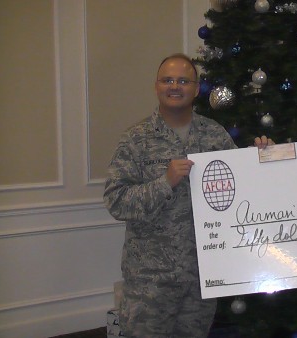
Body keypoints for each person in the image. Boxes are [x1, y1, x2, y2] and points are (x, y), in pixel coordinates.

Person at [104, 53, 271, 337]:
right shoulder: (135, 139)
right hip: (150, 282)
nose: (175, 86)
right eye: (167, 80)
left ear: (196, 89)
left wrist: (261, 157)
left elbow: (245, 189)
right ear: (156, 86)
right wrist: (164, 182)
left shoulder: (215, 135)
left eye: (183, 80)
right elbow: (117, 202)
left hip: (202, 276)